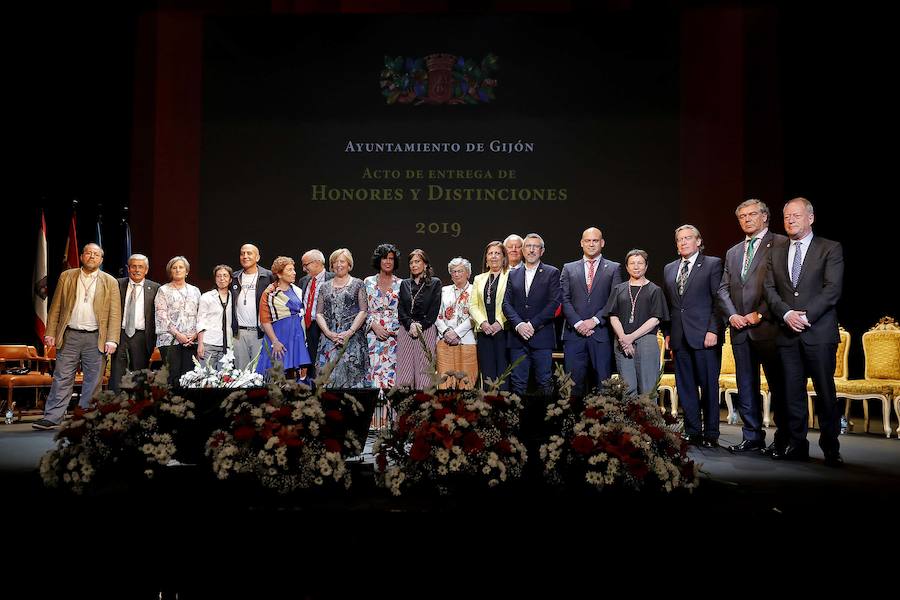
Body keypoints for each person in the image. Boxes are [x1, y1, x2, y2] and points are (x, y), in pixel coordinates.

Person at [764, 197, 844, 466]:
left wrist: (805, 316)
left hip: (818, 332)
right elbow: (769, 290)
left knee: (825, 392)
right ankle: (797, 445)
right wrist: (786, 313)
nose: (790, 220)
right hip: (787, 333)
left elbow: (831, 290)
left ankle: (831, 447)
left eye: (796, 215)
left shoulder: (829, 248)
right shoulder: (775, 251)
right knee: (791, 393)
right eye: (786, 216)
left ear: (810, 218)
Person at [717, 199, 787, 454]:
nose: (747, 219)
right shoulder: (734, 251)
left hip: (768, 327)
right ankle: (752, 436)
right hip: (739, 329)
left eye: (752, 214)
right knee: (746, 385)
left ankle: (783, 439)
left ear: (765, 217)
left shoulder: (780, 243)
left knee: (778, 385)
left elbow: (783, 286)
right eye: (742, 216)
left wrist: (760, 314)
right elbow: (723, 288)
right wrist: (734, 316)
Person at [32, 243, 121, 430]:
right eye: (88, 253)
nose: (91, 256)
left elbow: (115, 313)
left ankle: (86, 417)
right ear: (81, 257)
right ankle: (53, 416)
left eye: (96, 254)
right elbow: (56, 306)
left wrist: (112, 339)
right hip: (69, 335)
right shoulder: (68, 276)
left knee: (93, 380)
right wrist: (50, 332)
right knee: (62, 377)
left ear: (101, 259)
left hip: (96, 337)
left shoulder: (110, 281)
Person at [661, 225, 724, 448]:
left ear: (698, 241)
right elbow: (668, 305)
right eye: (679, 239)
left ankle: (711, 433)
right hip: (679, 337)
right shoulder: (669, 268)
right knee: (685, 386)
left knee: (708, 386)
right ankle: (693, 430)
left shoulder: (712, 264)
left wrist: (713, 330)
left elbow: (719, 301)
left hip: (704, 335)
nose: (683, 242)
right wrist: (667, 333)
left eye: (688, 238)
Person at [560, 227, 622, 395]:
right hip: (574, 335)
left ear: (602, 243)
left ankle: (601, 421)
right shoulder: (568, 268)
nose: (591, 244)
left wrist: (594, 320)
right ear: (581, 243)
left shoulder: (614, 268)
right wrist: (579, 323)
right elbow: (564, 299)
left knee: (603, 384)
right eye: (588, 240)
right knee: (572, 386)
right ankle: (573, 421)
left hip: (600, 333)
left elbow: (613, 300)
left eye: (595, 240)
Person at [502, 233, 561, 396]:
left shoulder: (552, 272)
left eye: (536, 247)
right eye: (528, 246)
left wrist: (532, 324)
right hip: (517, 338)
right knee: (517, 383)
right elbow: (506, 304)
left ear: (542, 251)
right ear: (523, 250)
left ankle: (546, 421)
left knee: (544, 381)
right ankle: (517, 420)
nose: (532, 250)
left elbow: (554, 303)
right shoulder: (513, 274)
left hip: (541, 337)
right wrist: (520, 325)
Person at [605, 250, 669, 397]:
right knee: (628, 388)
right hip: (622, 342)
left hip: (646, 341)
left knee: (648, 389)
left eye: (640, 263)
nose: (636, 267)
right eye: (632, 263)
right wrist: (623, 338)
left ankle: (648, 420)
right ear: (627, 267)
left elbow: (656, 319)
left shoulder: (655, 290)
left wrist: (631, 337)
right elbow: (613, 315)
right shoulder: (619, 289)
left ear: (646, 266)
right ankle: (629, 420)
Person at [315, 249, 369, 388]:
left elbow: (363, 311)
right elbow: (319, 313)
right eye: (335, 262)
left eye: (342, 261)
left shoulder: (358, 284)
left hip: (353, 340)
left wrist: (349, 332)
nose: (339, 265)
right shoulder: (324, 287)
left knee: (352, 383)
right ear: (331, 265)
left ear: (349, 264)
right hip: (329, 340)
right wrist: (328, 333)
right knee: (327, 383)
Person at [109, 253, 158, 392]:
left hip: (142, 336)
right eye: (134, 266)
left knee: (140, 374)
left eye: (140, 267)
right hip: (120, 334)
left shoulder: (155, 288)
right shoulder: (117, 284)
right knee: (117, 373)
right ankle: (116, 406)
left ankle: (138, 406)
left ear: (146, 270)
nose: (137, 270)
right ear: (128, 268)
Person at [257, 257, 312, 380]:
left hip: (295, 337)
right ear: (279, 274)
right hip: (278, 337)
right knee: (277, 374)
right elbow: (265, 320)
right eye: (289, 270)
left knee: (294, 377)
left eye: (293, 269)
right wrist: (275, 341)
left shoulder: (296, 290)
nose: (294, 272)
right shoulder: (270, 293)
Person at [396, 249, 442, 389]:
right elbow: (401, 309)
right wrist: (410, 325)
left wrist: (420, 325)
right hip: (406, 329)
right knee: (404, 372)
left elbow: (433, 311)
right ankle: (404, 408)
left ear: (425, 264)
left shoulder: (434, 283)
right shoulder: (405, 284)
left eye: (417, 261)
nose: (414, 265)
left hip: (426, 329)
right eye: (411, 262)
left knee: (424, 373)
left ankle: (423, 408)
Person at [154, 256, 202, 388]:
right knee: (173, 377)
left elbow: (201, 315)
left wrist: (195, 334)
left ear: (187, 271)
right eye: (174, 267)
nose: (177, 270)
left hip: (191, 339)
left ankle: (188, 406)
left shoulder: (195, 290)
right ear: (170, 271)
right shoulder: (163, 290)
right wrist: (178, 335)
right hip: (170, 339)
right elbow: (161, 315)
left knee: (190, 377)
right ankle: (173, 407)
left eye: (181, 267)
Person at [469, 241, 510, 390]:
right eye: (490, 253)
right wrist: (483, 323)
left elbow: (511, 303)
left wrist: (499, 322)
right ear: (486, 258)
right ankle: (487, 409)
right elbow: (472, 305)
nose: (494, 256)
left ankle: (504, 408)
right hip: (484, 332)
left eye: (497, 253)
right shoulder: (479, 279)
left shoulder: (511, 275)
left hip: (503, 331)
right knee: (487, 374)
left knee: (503, 374)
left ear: (504, 257)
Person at [231, 244, 275, 370]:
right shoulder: (234, 277)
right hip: (239, 334)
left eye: (249, 253)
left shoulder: (268, 276)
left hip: (261, 333)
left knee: (260, 372)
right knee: (241, 373)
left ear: (257, 257)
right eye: (242, 253)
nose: (245, 256)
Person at [364, 243, 402, 390]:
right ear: (378, 261)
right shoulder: (368, 282)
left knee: (392, 375)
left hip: (393, 337)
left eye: (391, 258)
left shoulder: (401, 284)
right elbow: (362, 309)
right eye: (384, 258)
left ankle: (390, 412)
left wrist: (390, 329)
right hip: (372, 335)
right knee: (373, 373)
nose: (388, 262)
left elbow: (404, 311)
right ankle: (374, 413)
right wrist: (374, 325)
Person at [435, 258, 477, 388]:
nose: (457, 274)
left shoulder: (475, 290)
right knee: (445, 384)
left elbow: (475, 315)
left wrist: (457, 333)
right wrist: (447, 332)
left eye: (460, 271)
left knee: (466, 383)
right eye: (454, 271)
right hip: (445, 341)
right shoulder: (443, 291)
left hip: (467, 341)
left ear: (468, 273)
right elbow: (436, 314)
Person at [297, 249, 333, 378]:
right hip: (310, 326)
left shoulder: (333, 278)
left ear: (317, 262)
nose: (304, 268)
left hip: (327, 327)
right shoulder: (303, 281)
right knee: (311, 361)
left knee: (327, 361)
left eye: (306, 265)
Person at [197, 265, 234, 369]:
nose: (222, 278)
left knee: (224, 379)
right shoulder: (207, 296)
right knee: (206, 378)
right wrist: (200, 344)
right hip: (209, 343)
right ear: (215, 279)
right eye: (219, 276)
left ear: (230, 279)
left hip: (227, 344)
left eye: (225, 276)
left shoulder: (234, 297)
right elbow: (201, 321)